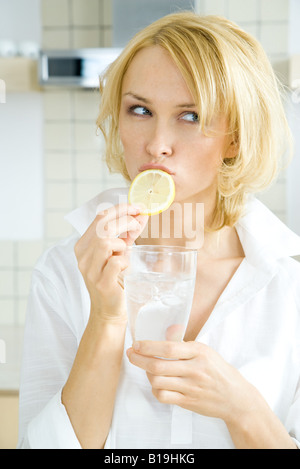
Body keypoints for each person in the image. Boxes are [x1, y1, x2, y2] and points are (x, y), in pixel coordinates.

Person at [18, 12, 300, 449]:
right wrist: (106, 320)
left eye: (190, 116)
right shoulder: (65, 272)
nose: (156, 143)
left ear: (236, 138)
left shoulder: (288, 290)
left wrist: (242, 407)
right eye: (141, 110)